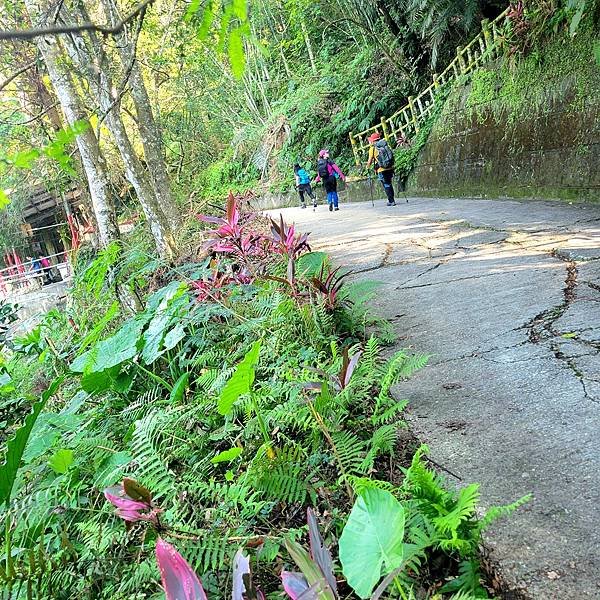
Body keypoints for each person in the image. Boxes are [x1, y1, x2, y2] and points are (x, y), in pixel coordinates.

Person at [366, 132, 396, 206]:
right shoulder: (385, 145)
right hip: (390, 167)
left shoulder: (372, 149)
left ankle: (391, 201)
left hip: (381, 169)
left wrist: (367, 167)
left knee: (386, 185)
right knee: (389, 183)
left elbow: (370, 160)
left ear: (373, 141)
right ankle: (392, 199)